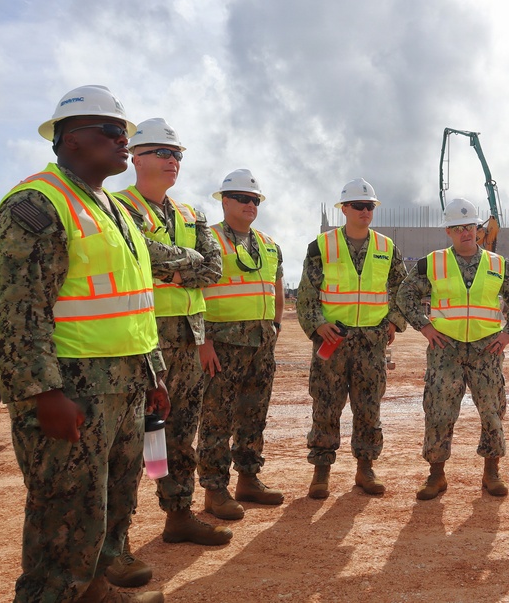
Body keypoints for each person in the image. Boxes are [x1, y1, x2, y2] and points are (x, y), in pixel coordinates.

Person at [0, 85, 169, 602]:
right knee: (64, 516)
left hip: (125, 385)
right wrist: (44, 394)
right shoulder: (38, 204)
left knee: (108, 506)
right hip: (73, 389)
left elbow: (137, 303)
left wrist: (153, 376)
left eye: (127, 134)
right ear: (70, 140)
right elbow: (18, 316)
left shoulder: (112, 208)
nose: (124, 143)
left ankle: (93, 590)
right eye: (112, 133)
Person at [109, 118, 229, 588]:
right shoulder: (119, 208)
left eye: (177, 154)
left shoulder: (191, 213)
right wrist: (187, 265)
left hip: (189, 337)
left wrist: (175, 270)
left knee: (179, 434)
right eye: (161, 152)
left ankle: (178, 515)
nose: (172, 161)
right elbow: (143, 252)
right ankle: (115, 545)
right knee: (134, 441)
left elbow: (213, 268)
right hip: (142, 337)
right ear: (135, 157)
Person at [396, 198, 509, 500]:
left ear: (478, 229)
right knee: (439, 412)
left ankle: (491, 473)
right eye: (458, 228)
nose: (465, 233)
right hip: (446, 350)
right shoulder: (433, 262)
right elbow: (405, 295)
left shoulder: (498, 264)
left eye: (470, 227)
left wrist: (508, 334)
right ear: (448, 231)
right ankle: (436, 476)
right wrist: (425, 326)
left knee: (492, 412)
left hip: (487, 350)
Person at [296, 178, 408, 498]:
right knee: (326, 405)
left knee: (368, 407)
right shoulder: (322, 246)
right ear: (344, 208)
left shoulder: (387, 248)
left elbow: (403, 290)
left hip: (372, 343)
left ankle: (365, 469)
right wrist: (317, 325)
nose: (364, 211)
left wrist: (394, 322)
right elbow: (307, 294)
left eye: (369, 206)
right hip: (332, 340)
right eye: (358, 205)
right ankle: (321, 472)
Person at [197, 169, 285, 520]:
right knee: (217, 418)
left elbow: (276, 288)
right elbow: (194, 292)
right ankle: (214, 489)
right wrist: (202, 342)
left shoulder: (268, 243)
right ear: (225, 200)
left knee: (253, 415)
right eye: (243, 198)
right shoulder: (207, 241)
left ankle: (248, 478)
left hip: (261, 344)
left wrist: (276, 327)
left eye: (255, 200)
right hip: (222, 345)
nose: (251, 204)